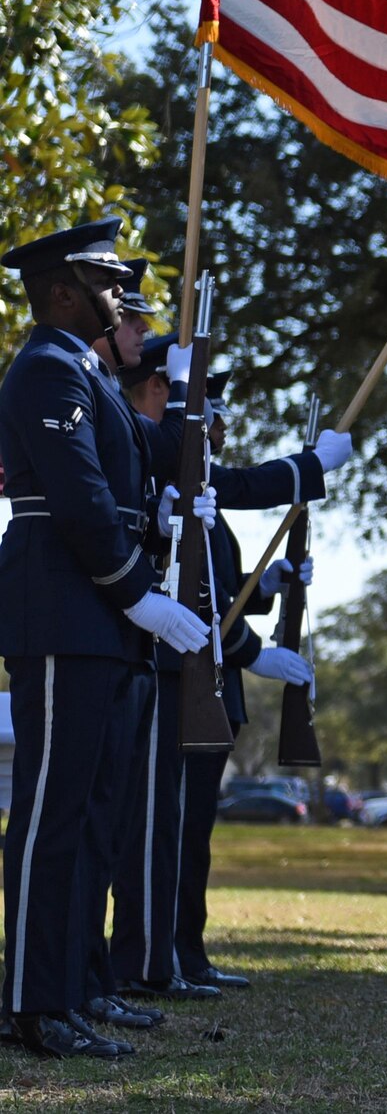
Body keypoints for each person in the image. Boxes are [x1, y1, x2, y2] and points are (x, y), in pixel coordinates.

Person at [0, 221, 207, 1058]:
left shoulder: (90, 376)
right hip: (65, 607)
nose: (121, 298)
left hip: (94, 614)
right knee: (51, 815)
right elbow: (82, 502)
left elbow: (142, 468)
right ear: (61, 292)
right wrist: (139, 596)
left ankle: (76, 986)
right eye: (106, 282)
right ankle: (30, 1000)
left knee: (86, 816)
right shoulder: (47, 369)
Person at [109, 341, 339, 998]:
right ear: (160, 391)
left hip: (204, 683)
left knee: (191, 835)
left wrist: (265, 585)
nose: (218, 420)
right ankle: (150, 962)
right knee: (162, 833)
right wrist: (249, 651)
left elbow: (219, 582)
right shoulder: (156, 470)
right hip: (170, 674)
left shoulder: (193, 477)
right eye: (205, 403)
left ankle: (184, 953)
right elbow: (192, 592)